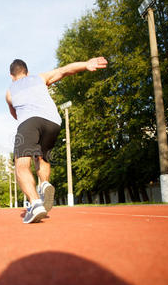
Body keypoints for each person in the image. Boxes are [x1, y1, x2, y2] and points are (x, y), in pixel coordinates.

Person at [6, 57, 108, 223]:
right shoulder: (40, 77)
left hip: (29, 121)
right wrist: (86, 65)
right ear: (27, 71)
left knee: (21, 165)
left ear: (11, 75)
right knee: (42, 157)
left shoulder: (10, 91)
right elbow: (64, 70)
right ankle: (44, 184)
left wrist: (27, 125)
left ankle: (35, 203)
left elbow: (14, 114)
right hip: (53, 122)